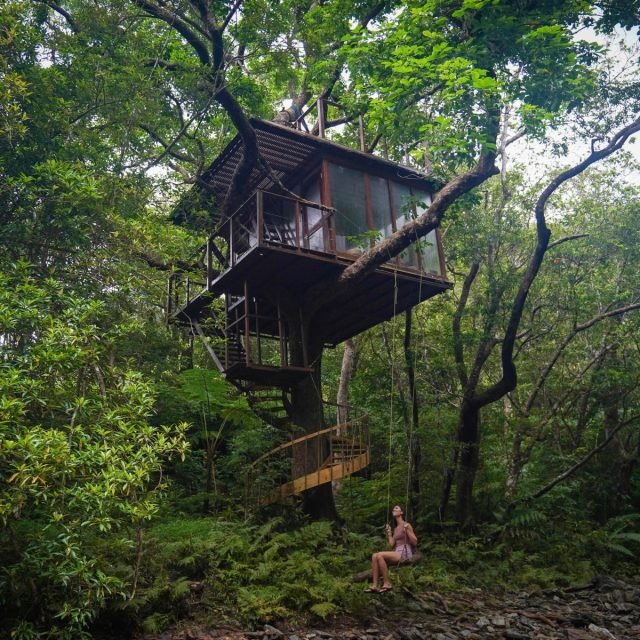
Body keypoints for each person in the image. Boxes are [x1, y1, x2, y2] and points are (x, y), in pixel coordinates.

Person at [365, 504, 418, 593]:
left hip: (405, 553)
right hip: (397, 552)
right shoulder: (396, 529)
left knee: (379, 555)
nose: (393, 509)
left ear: (401, 512)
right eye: (393, 509)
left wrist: (407, 531)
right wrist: (389, 533)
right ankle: (375, 585)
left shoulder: (406, 525)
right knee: (375, 556)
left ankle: (387, 583)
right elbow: (391, 545)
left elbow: (415, 542)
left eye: (396, 508)